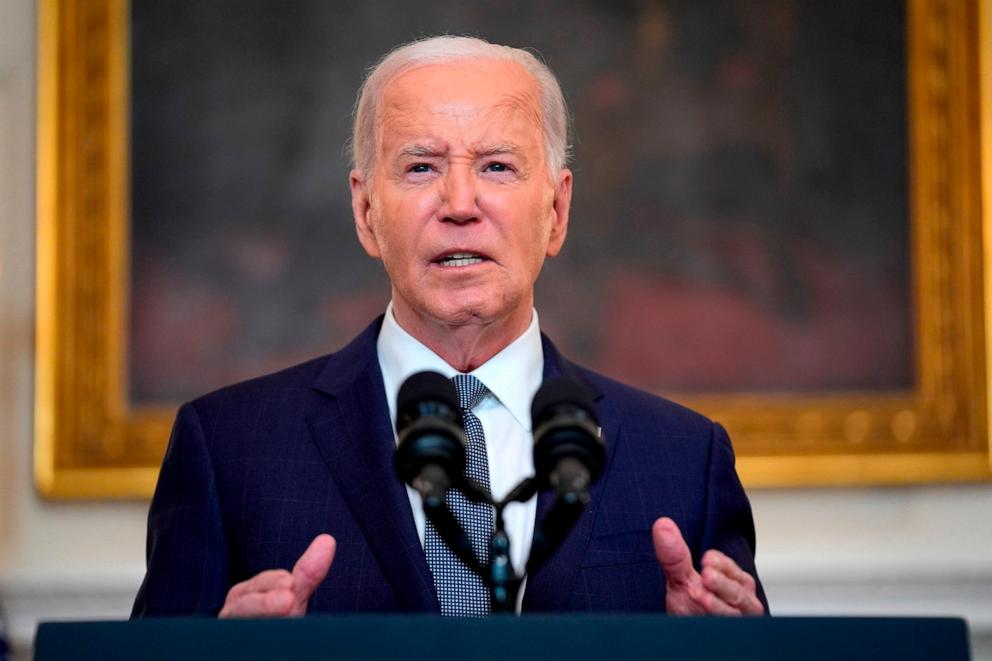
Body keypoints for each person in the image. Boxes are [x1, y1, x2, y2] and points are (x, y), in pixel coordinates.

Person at [132, 35, 766, 618]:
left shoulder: (684, 460)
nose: (460, 205)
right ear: (365, 211)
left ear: (556, 211)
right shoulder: (228, 449)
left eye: (496, 166)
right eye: (420, 167)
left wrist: (738, 656)